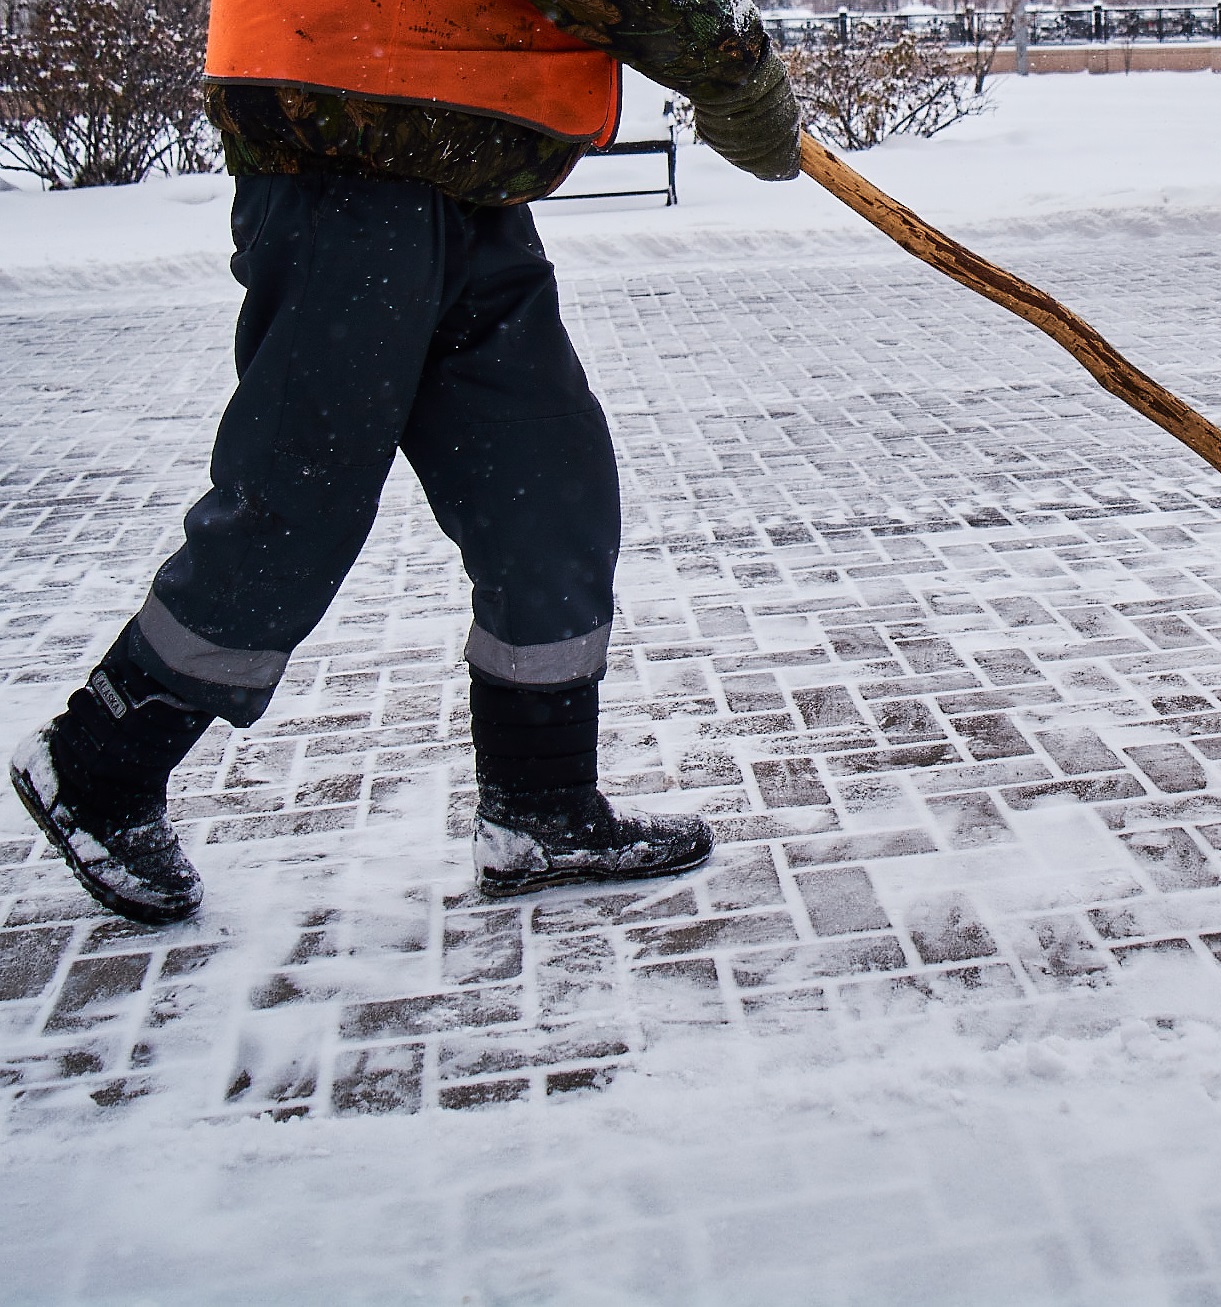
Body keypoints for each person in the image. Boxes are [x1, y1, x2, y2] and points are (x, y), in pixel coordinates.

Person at [9, 0, 802, 926]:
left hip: (462, 165)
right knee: (297, 500)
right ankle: (99, 762)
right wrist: (732, 63)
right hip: (343, 143)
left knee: (548, 486)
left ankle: (541, 808)